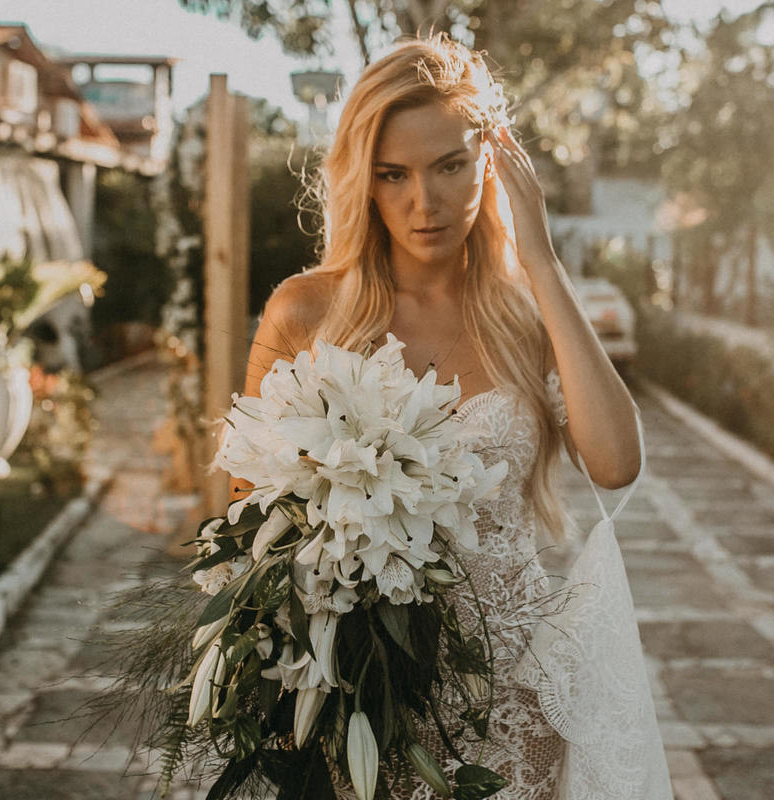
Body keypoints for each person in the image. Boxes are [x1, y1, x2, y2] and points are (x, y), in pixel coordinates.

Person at [232, 33, 659, 799]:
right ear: (363, 180)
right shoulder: (307, 312)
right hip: (357, 691)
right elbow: (244, 523)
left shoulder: (529, 318)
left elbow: (617, 463)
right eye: (392, 174)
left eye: (449, 166)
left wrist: (543, 262)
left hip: (512, 691)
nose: (422, 203)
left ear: (490, 163)